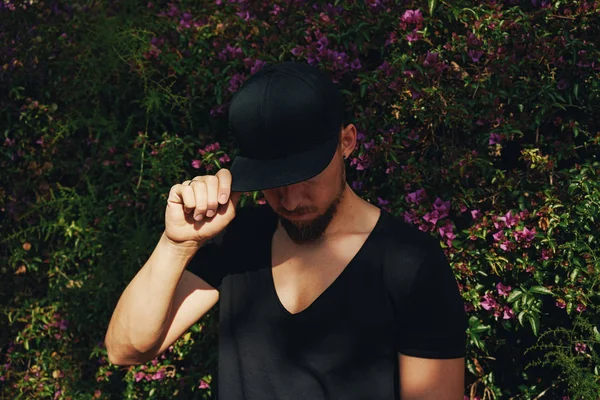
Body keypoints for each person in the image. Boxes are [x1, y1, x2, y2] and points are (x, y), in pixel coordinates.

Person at [105, 61, 468, 399]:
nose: (291, 201)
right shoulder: (238, 241)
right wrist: (176, 244)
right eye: (272, 181)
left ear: (346, 142)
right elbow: (126, 349)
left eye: (306, 175)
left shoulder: (410, 264)